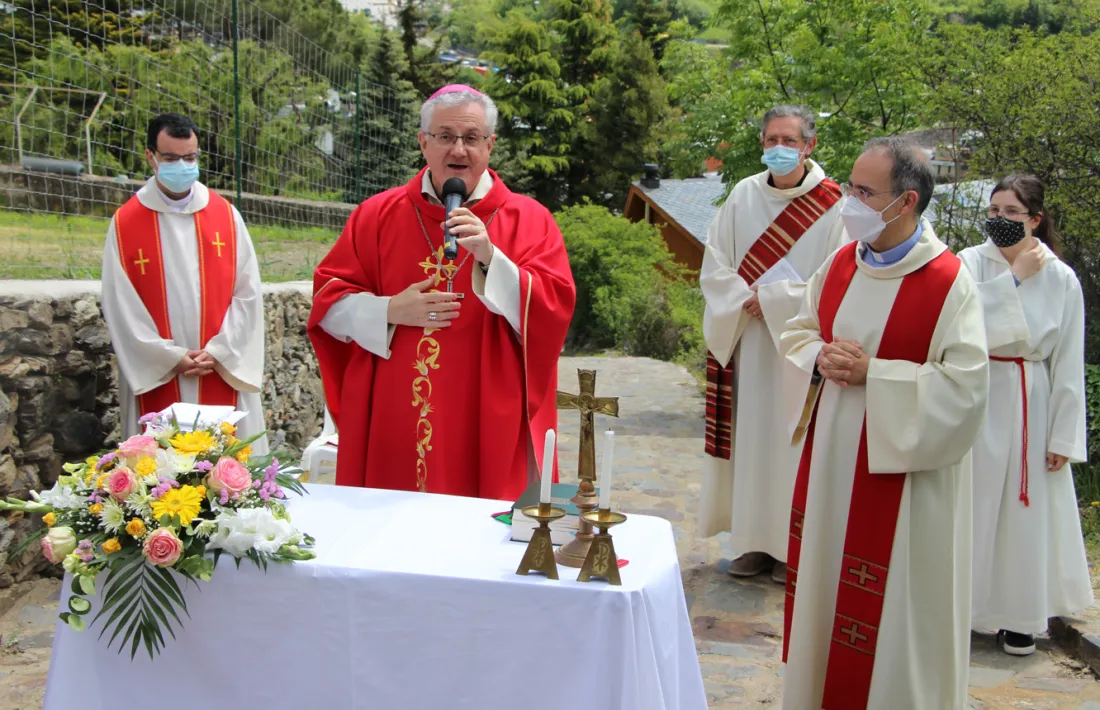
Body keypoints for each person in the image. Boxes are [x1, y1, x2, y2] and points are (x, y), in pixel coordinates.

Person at [778, 137, 989, 709]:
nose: (849, 200)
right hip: (833, 467)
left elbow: (966, 391)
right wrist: (818, 354)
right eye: (850, 186)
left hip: (905, 484)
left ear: (906, 201)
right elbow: (798, 330)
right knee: (827, 595)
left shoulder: (949, 282)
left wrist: (877, 373)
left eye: (864, 192)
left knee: (898, 613)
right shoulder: (841, 263)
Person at [307, 84, 575, 500]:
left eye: (471, 138)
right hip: (394, 417)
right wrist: (390, 309)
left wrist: (492, 259)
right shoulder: (376, 215)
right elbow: (326, 304)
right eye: (445, 137)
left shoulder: (530, 219)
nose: (459, 150)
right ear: (423, 142)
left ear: (490, 145)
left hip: (487, 411)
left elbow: (554, 309)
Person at [699, 105, 847, 584]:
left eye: (789, 140)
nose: (778, 149)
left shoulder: (837, 206)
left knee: (793, 447)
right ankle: (751, 544)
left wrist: (777, 299)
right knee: (753, 445)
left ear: (810, 145)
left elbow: (839, 277)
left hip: (799, 349)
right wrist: (745, 298)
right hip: (748, 342)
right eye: (770, 141)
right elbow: (714, 261)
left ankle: (792, 550)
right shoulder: (743, 196)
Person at [960, 174, 1092, 656]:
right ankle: (964, 608)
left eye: (1011, 213)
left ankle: (1019, 618)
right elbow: (961, 325)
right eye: (993, 211)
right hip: (976, 392)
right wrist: (1014, 281)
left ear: (1035, 219)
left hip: (1029, 400)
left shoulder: (1060, 276)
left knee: (1022, 512)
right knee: (971, 506)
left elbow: (1068, 361)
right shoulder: (968, 263)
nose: (999, 220)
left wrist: (1063, 437)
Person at [101, 113, 268, 454]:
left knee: (230, 467)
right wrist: (168, 357)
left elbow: (248, 293)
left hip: (219, 366)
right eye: (172, 159)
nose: (183, 166)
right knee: (159, 475)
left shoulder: (226, 216)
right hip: (162, 373)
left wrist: (220, 351)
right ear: (151, 157)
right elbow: (121, 306)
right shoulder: (125, 224)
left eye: (190, 158)